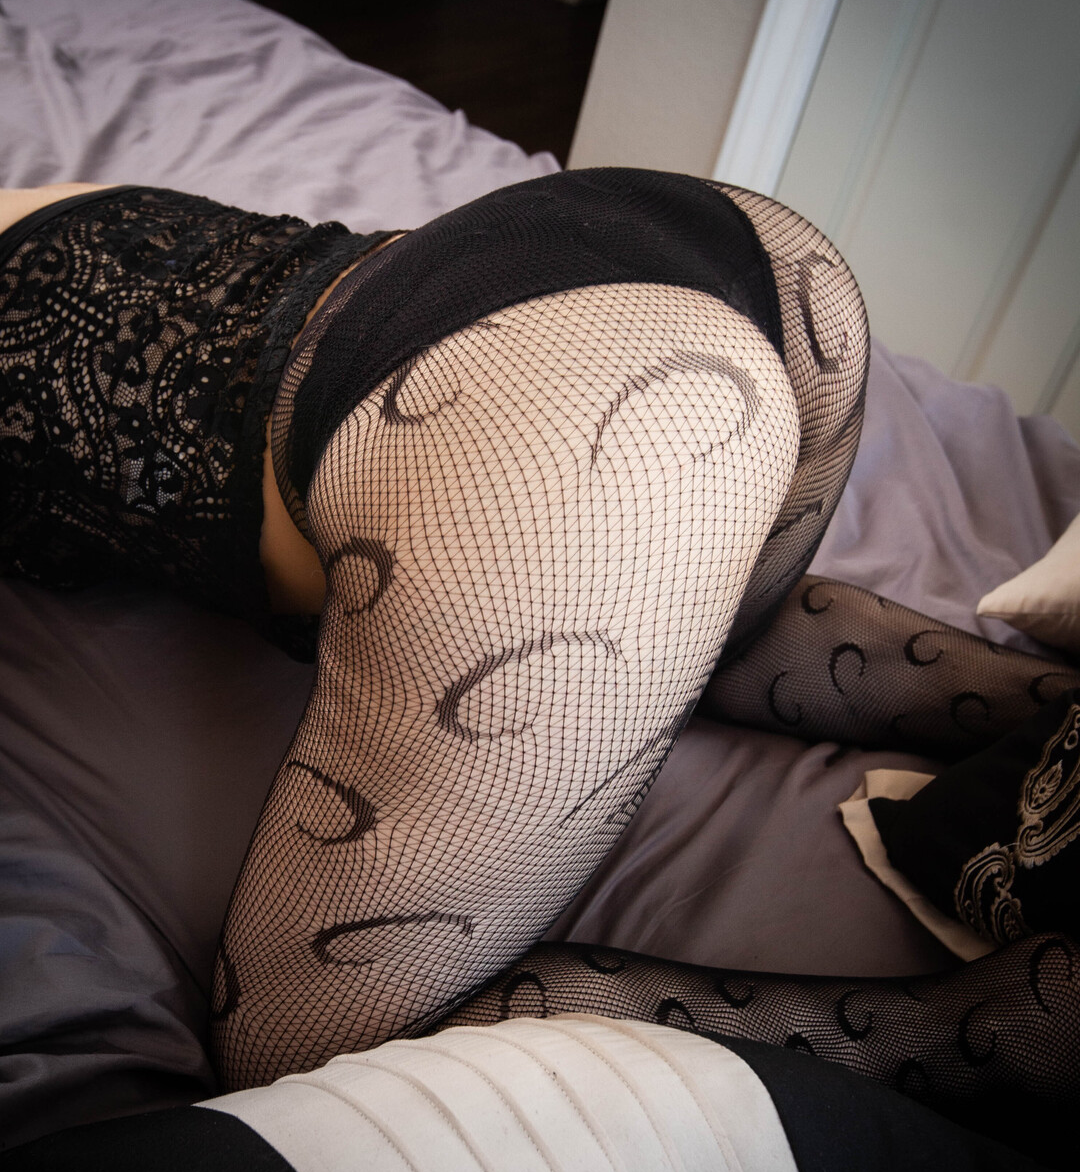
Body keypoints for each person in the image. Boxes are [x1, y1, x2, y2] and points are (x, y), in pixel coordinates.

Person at [2, 172, 1077, 1106]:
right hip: (712, 254)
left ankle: (981, 1037)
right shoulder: (57, 198)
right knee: (700, 626)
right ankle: (1048, 712)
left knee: (300, 1051)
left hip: (535, 416)